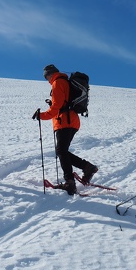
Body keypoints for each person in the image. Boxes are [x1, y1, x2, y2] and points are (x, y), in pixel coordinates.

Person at [34, 64, 98, 195]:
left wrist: (41, 116)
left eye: (46, 77)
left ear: (50, 74)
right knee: (62, 151)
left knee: (61, 151)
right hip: (71, 120)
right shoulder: (65, 82)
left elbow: (56, 107)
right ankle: (87, 168)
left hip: (64, 121)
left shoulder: (57, 83)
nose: (47, 80)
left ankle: (70, 182)